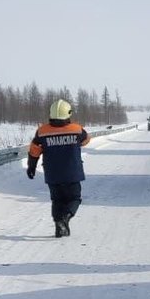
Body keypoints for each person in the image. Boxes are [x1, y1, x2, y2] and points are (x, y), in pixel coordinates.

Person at [26, 99, 91, 237]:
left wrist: (31, 167)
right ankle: (65, 218)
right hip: (72, 173)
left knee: (57, 200)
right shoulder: (77, 129)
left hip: (52, 174)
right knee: (75, 198)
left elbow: (34, 150)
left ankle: (59, 228)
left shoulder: (42, 131)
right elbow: (86, 140)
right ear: (68, 113)